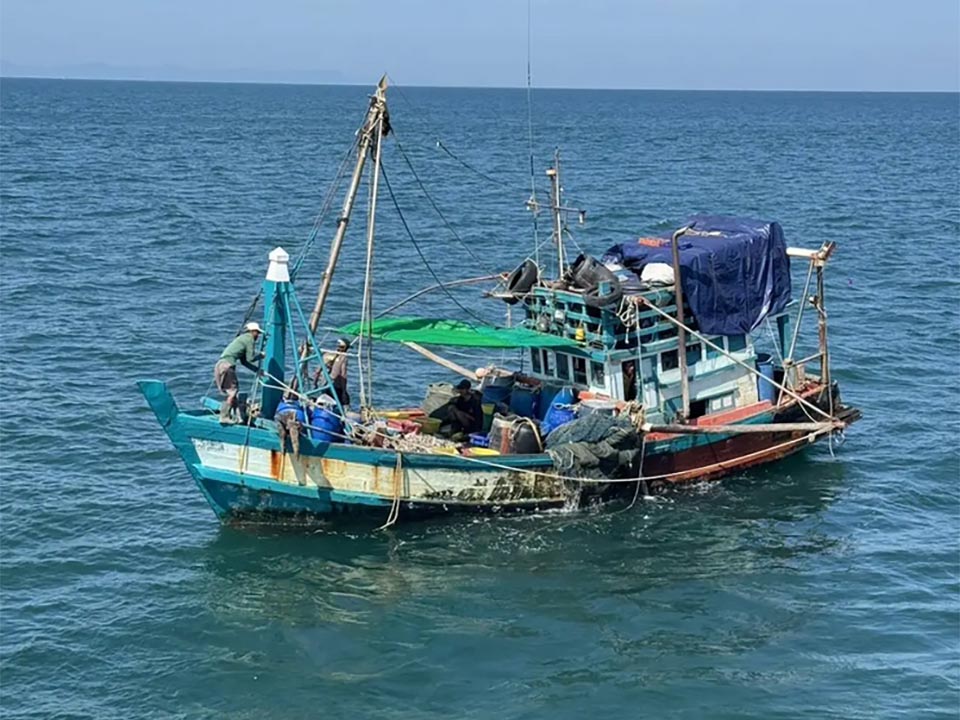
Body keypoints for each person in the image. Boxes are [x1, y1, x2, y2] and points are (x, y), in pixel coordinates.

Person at [214, 321, 262, 424]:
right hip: (227, 366)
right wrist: (261, 355)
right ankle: (224, 416)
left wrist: (257, 371)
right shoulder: (249, 339)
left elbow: (244, 362)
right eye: (257, 333)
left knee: (232, 392)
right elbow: (251, 358)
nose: (258, 336)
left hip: (220, 365)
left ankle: (238, 417)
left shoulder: (241, 339)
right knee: (233, 392)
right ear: (252, 331)